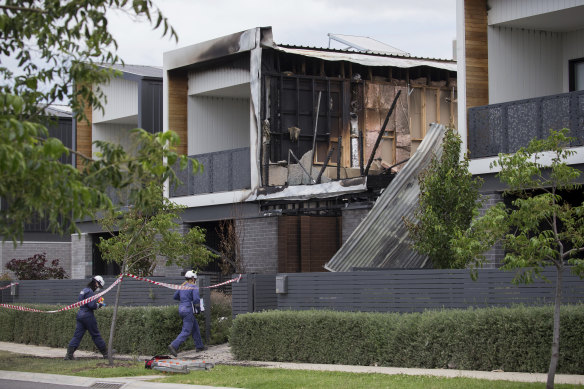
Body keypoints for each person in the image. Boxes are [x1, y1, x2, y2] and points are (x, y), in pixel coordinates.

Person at [64, 275, 108, 360]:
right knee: (95, 334)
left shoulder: (84, 290)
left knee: (77, 336)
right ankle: (106, 354)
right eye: (99, 286)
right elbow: (92, 305)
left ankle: (69, 355)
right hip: (88, 315)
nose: (98, 288)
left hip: (80, 314)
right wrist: (100, 305)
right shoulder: (90, 292)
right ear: (96, 283)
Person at [168, 270, 206, 357]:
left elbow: (175, 296)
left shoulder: (182, 286)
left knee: (195, 326)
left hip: (181, 309)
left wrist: (184, 300)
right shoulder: (193, 287)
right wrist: (198, 309)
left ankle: (199, 346)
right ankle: (174, 345)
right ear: (192, 279)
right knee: (186, 330)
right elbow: (196, 300)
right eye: (195, 279)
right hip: (188, 310)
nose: (195, 281)